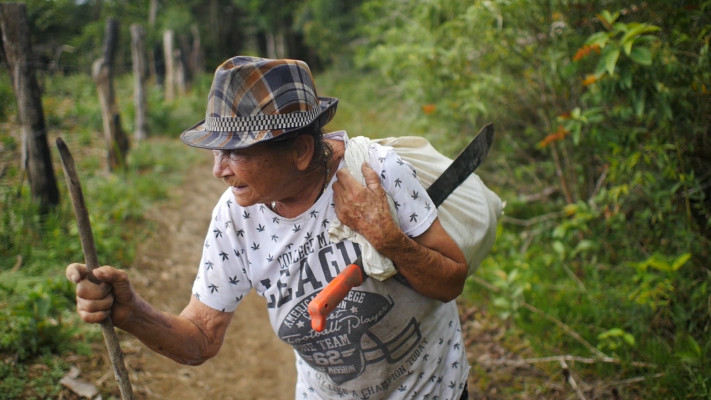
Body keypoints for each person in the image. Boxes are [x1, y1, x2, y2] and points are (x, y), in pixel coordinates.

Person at [67, 56, 471, 399]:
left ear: (301, 151)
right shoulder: (235, 218)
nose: (218, 170)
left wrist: (388, 239)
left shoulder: (375, 173)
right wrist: (131, 313)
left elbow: (451, 281)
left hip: (432, 389)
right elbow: (200, 339)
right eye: (217, 151)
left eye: (235, 152)